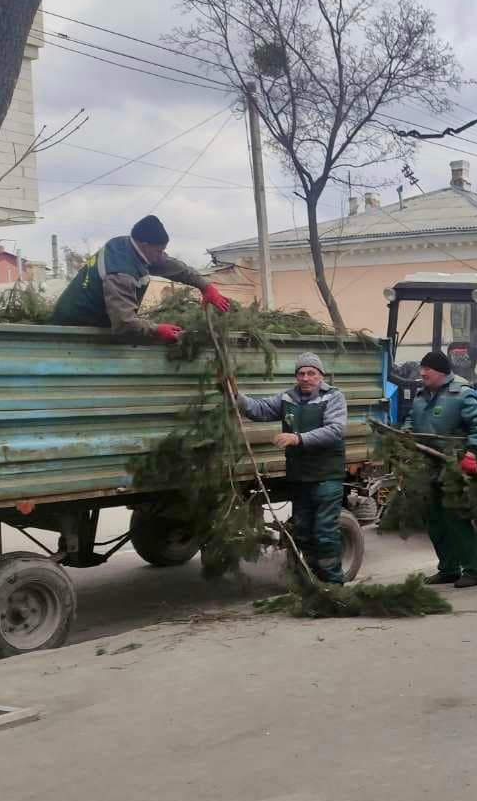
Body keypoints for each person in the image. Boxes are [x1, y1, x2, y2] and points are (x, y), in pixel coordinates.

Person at [236, 353, 349, 584]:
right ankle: (311, 583)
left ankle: (334, 586)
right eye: (301, 373)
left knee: (325, 533)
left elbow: (335, 430)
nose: (305, 378)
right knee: (303, 533)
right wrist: (234, 395)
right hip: (300, 478)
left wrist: (298, 438)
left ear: (321, 375)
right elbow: (259, 409)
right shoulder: (288, 397)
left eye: (311, 373)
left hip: (326, 477)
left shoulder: (334, 397)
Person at [50, 215, 231, 341]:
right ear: (144, 245)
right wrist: (156, 329)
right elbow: (124, 324)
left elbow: (170, 265)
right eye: (159, 250)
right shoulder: (121, 273)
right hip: (74, 329)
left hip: (90, 323)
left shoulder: (127, 245)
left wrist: (205, 286)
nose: (161, 255)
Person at [408, 350, 477, 588]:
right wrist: (404, 433)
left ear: (441, 372)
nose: (422, 373)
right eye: (421, 369)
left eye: (427, 370)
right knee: (434, 519)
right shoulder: (421, 395)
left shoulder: (462, 394)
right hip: (429, 465)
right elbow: (411, 420)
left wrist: (472, 452)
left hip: (454, 466)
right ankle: (448, 568)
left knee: (456, 517)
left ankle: (472, 571)